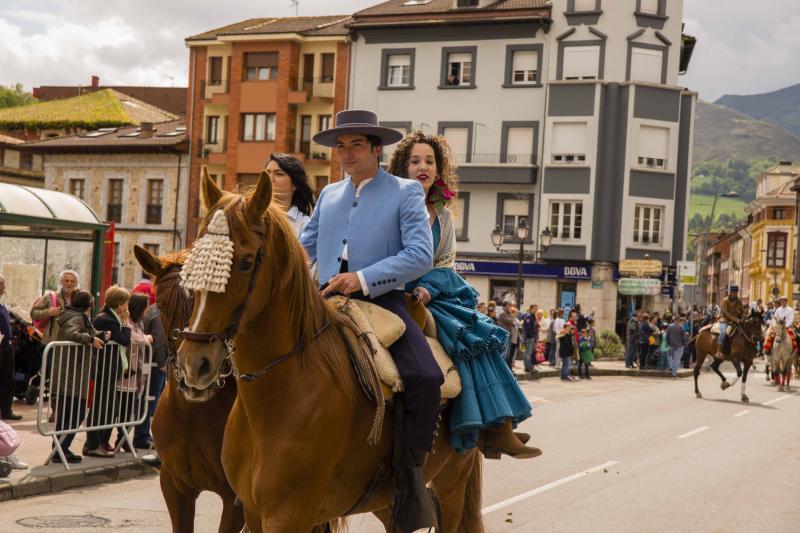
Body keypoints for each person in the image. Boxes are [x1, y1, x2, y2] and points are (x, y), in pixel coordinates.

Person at [300, 109, 442, 530]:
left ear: (376, 149)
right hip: (323, 300)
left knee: (426, 377)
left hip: (381, 301)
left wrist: (360, 278)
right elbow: (302, 247)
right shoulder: (328, 194)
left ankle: (411, 476)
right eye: (340, 147)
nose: (346, 154)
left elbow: (420, 255)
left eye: (355, 145)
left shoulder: (404, 192)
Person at [389, 130, 539, 459]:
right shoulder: (389, 204)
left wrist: (429, 288)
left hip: (434, 292)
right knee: (463, 337)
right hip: (393, 288)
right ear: (402, 167)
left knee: (479, 338)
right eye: (414, 161)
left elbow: (445, 262)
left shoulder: (442, 214)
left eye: (429, 160)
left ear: (439, 169)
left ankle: (496, 428)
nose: (422, 166)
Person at [54, 289, 105, 463]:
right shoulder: (76, 317)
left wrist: (97, 336)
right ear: (88, 305)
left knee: (71, 413)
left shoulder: (76, 316)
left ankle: (60, 449)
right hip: (72, 376)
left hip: (73, 374)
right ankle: (60, 450)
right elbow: (71, 333)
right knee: (73, 414)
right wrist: (90, 339)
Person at [84, 285, 131, 458]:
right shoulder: (106, 319)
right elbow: (125, 340)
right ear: (119, 304)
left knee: (110, 407)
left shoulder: (111, 317)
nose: (127, 307)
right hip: (104, 369)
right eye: (126, 303)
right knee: (100, 407)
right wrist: (125, 323)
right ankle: (93, 443)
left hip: (112, 369)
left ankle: (101, 441)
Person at [113, 294, 151, 452]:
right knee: (121, 410)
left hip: (136, 374)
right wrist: (146, 339)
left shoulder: (139, 323)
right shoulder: (126, 320)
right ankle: (120, 440)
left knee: (128, 411)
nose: (147, 310)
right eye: (145, 307)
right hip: (125, 374)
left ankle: (122, 440)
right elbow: (131, 338)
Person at [1, 275, 30, 469]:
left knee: (8, 381)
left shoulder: (2, 302)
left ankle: (6, 453)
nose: (4, 286)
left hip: (4, 345)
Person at [133, 300, 168, 450]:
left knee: (149, 402)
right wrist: (161, 364)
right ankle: (142, 436)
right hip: (154, 365)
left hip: (151, 363)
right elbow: (159, 339)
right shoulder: (159, 313)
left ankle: (144, 435)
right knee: (148, 402)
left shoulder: (156, 311)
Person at [264, 153, 315, 237]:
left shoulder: (305, 224)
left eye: (279, 174)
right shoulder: (251, 215)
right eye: (267, 173)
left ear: (295, 184)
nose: (270, 178)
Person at [30, 269, 80, 348]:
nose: (69, 283)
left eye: (72, 281)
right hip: (52, 343)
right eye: (66, 281)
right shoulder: (51, 297)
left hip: (73, 344)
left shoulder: (80, 299)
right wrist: (48, 312)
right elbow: (33, 313)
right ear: (61, 282)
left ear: (76, 283)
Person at [716, 286, 745, 359]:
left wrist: (742, 318)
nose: (736, 294)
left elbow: (743, 311)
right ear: (731, 292)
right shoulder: (725, 300)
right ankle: (718, 351)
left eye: (736, 292)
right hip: (725, 320)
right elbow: (725, 313)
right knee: (723, 333)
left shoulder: (738, 301)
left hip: (736, 321)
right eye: (734, 292)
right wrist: (736, 319)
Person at [497, 302, 520, 369]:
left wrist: (511, 314)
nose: (509, 307)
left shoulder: (507, 314)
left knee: (508, 354)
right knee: (504, 354)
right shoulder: (502, 314)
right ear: (504, 306)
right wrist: (514, 315)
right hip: (504, 335)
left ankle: (505, 368)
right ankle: (501, 369)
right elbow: (511, 321)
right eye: (508, 306)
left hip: (509, 335)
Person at [521, 304, 538, 373]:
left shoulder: (533, 316)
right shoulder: (529, 316)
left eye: (536, 309)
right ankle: (527, 367)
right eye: (534, 308)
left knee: (529, 353)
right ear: (530, 309)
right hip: (529, 338)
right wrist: (529, 336)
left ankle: (529, 366)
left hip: (532, 337)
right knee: (527, 353)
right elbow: (527, 328)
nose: (536, 310)